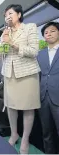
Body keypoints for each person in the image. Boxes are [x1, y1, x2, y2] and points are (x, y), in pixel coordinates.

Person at [0, 4, 41, 154]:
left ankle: (26, 139)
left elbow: (34, 51)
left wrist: (13, 44)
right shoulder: (5, 32)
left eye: (10, 13)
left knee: (28, 107)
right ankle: (14, 133)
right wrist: (4, 40)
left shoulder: (30, 27)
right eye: (5, 15)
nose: (7, 16)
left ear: (19, 15)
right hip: (9, 73)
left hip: (27, 74)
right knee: (11, 106)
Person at [37, 22, 59, 154]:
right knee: (46, 133)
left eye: (53, 31)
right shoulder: (41, 54)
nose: (49, 34)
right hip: (43, 97)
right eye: (46, 32)